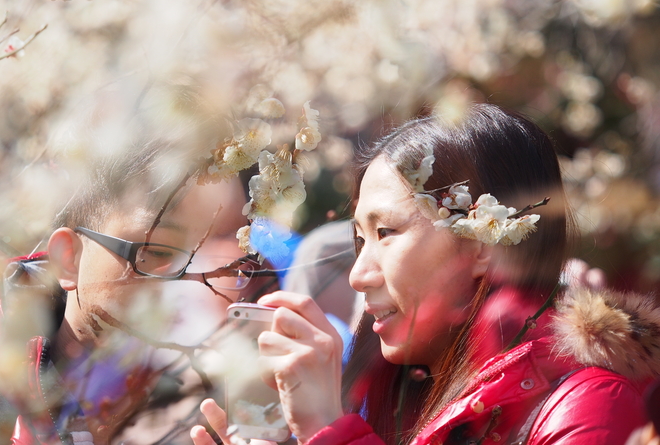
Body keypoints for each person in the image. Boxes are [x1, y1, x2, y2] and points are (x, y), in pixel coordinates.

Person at [192, 104, 659, 445]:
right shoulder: (398, 394)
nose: (358, 275)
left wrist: (330, 432)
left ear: (481, 244)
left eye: (387, 232)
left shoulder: (591, 406)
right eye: (359, 239)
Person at [0, 141, 256, 445]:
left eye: (200, 257)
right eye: (153, 253)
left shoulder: (182, 414)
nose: (184, 280)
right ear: (68, 257)